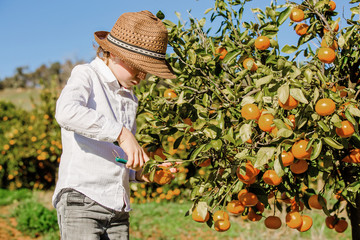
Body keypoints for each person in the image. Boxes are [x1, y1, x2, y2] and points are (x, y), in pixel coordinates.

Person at [52, 10, 176, 240]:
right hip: (82, 200)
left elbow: (120, 159)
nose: (141, 75)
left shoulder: (131, 98)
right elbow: (66, 112)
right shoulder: (86, 75)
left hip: (118, 209)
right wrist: (122, 133)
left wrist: (144, 174)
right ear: (113, 53)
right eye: (137, 66)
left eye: (146, 70)